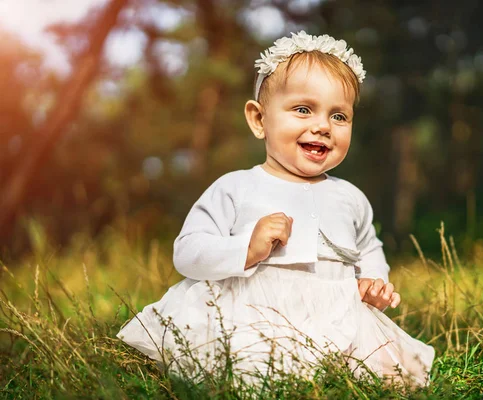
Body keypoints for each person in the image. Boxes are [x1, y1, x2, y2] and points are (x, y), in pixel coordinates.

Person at [118, 31, 434, 387]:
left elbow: (368, 249)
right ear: (259, 120)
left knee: (387, 376)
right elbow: (188, 252)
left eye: (339, 116)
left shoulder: (351, 197)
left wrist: (375, 281)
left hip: (337, 312)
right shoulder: (236, 187)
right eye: (303, 109)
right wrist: (245, 249)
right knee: (254, 374)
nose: (322, 126)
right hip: (255, 314)